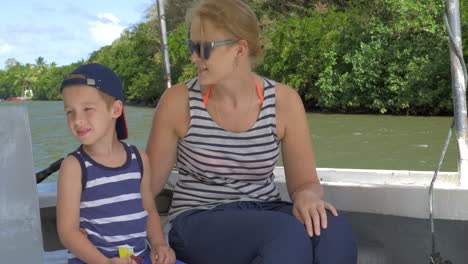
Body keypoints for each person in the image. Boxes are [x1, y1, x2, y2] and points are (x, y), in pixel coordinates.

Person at [146, 0, 357, 263]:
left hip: (265, 210)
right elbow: (147, 187)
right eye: (192, 46)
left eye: (203, 48)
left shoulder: (283, 101)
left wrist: (306, 197)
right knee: (283, 234)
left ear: (240, 49)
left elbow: (305, 183)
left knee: (333, 230)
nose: (193, 57)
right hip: (198, 218)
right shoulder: (178, 102)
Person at [56, 63, 178, 264]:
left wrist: (158, 244)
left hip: (139, 257)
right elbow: (68, 232)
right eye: (70, 111)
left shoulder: (138, 159)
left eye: (88, 109)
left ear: (115, 109)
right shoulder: (74, 166)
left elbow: (148, 209)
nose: (77, 120)